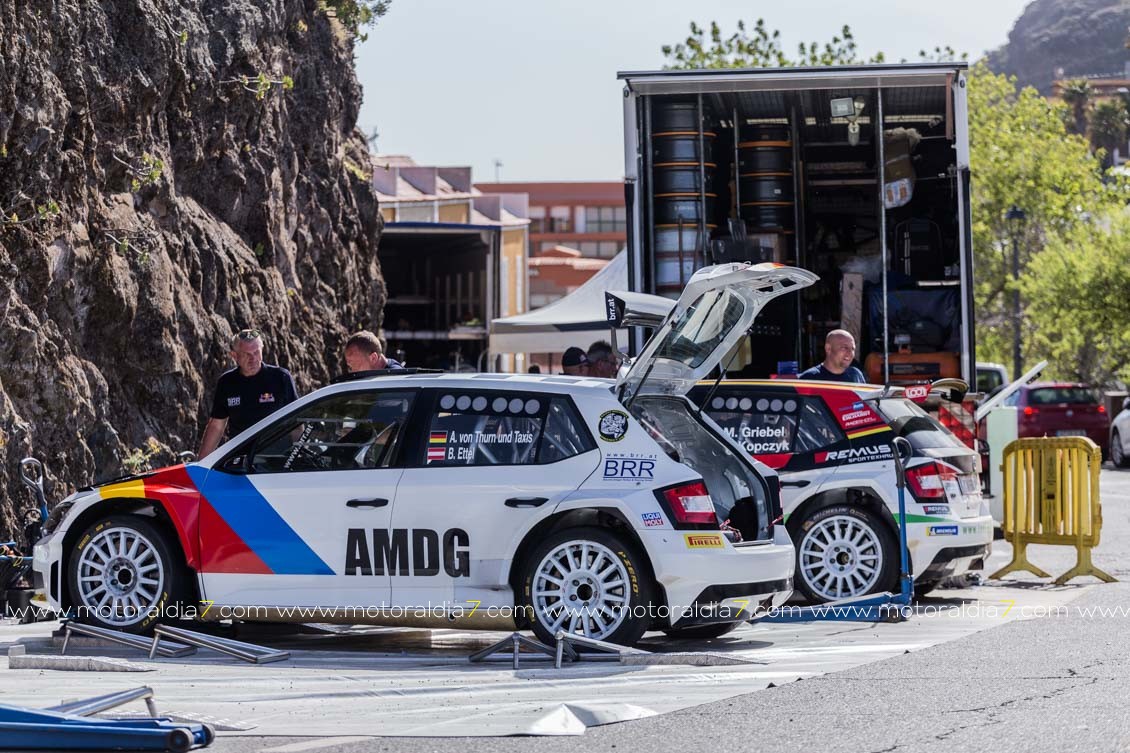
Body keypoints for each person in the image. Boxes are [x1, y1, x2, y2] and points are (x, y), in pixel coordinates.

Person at [199, 329, 299, 456]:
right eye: (246, 354)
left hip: (277, 459)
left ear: (262, 350)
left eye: (256, 352)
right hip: (242, 459)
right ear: (234, 356)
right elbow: (216, 426)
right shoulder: (226, 383)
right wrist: (201, 462)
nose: (253, 359)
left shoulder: (281, 378)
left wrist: (298, 455)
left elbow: (296, 420)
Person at [799, 329, 867, 383]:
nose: (850, 353)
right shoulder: (809, 379)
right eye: (844, 348)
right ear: (828, 348)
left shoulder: (856, 375)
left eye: (852, 349)